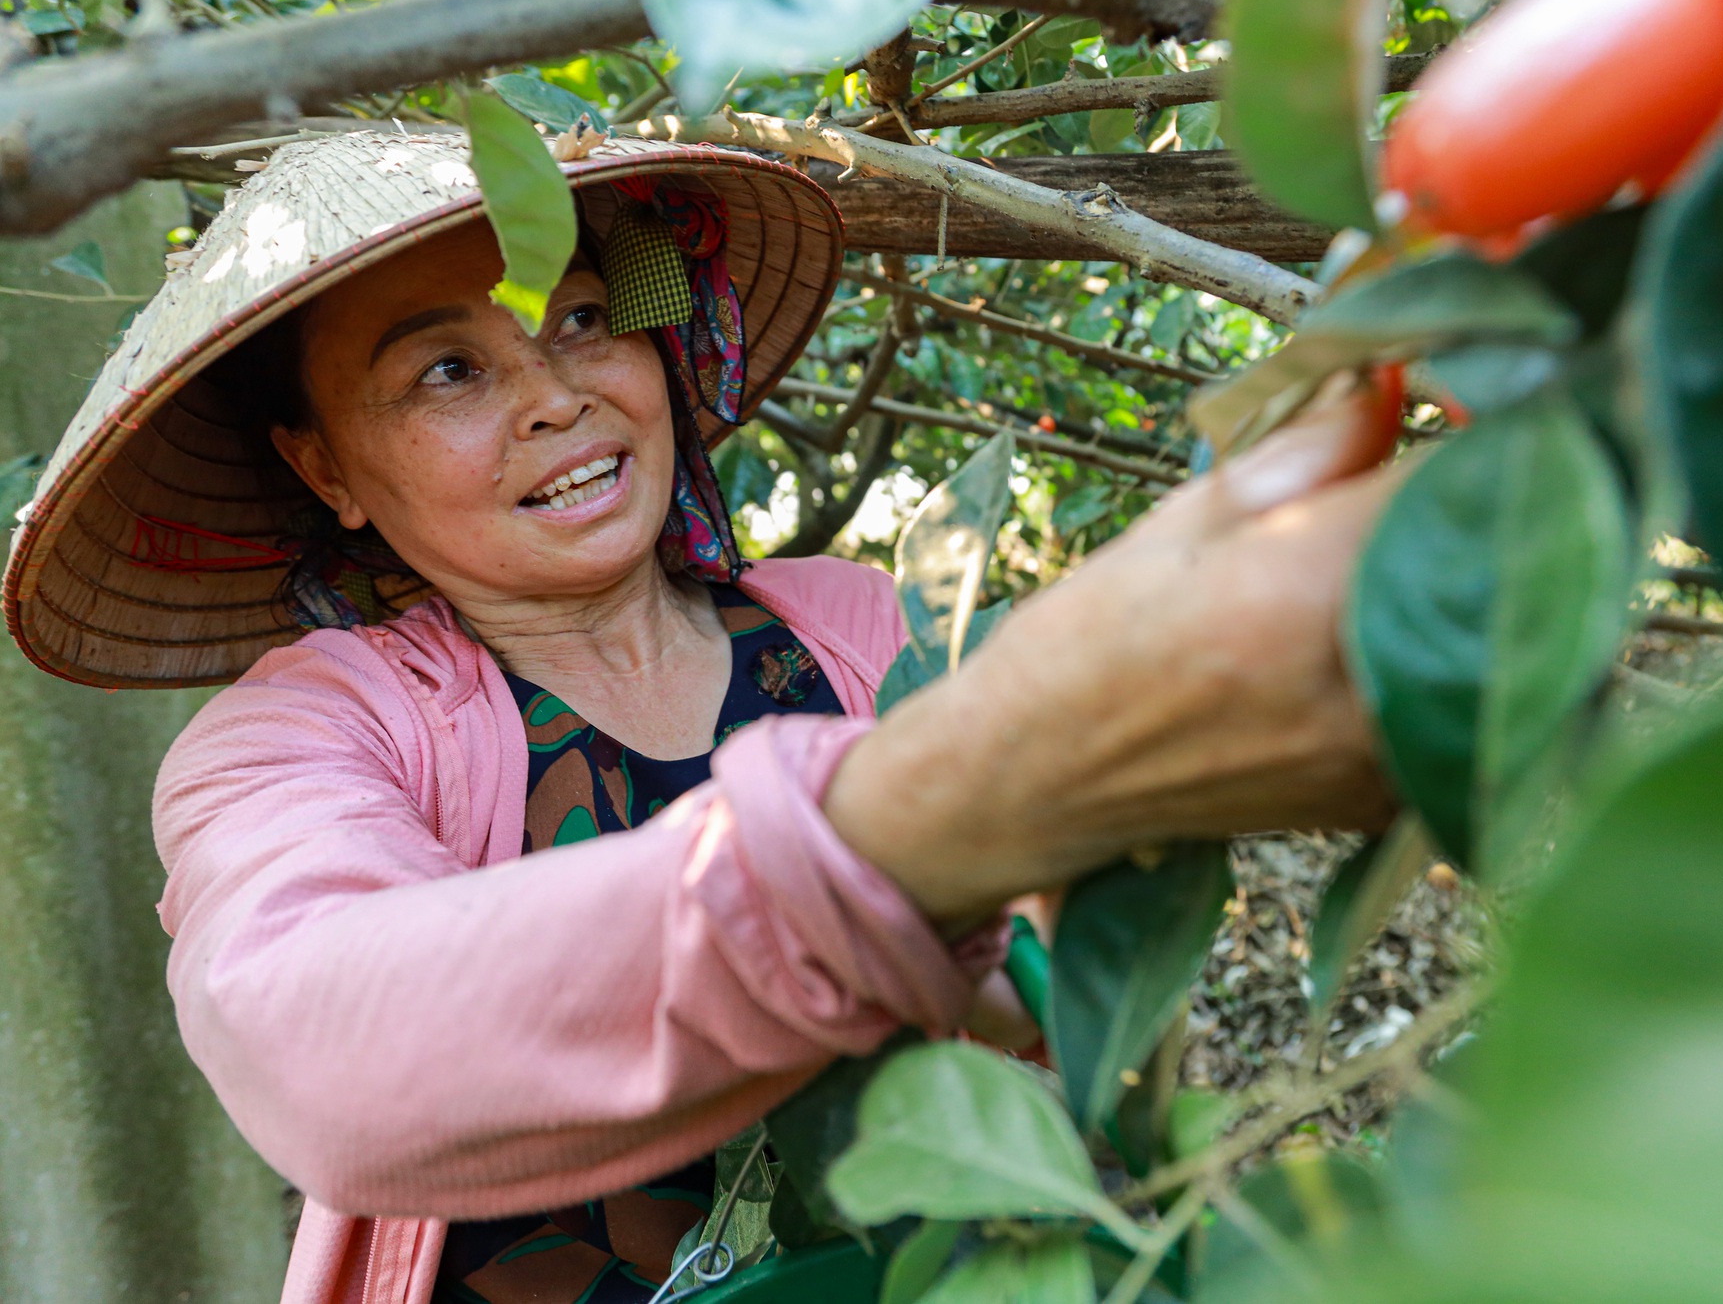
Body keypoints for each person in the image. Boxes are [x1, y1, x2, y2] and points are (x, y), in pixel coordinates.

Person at [2, 132, 1397, 1304]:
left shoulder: (852, 626)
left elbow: (1060, 982)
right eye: (449, 372)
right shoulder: (303, 738)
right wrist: (912, 831)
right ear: (326, 466)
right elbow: (315, 1038)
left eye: (584, 318)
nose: (556, 394)